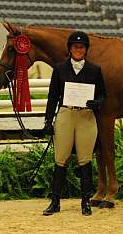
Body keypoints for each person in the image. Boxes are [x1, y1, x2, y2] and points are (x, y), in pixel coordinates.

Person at [41, 31, 106, 216]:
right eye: (75, 47)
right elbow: (53, 96)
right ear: (70, 49)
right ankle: (55, 201)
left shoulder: (95, 70)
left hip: (86, 116)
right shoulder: (60, 69)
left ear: (86, 50)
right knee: (60, 159)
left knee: (85, 159)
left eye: (82, 47)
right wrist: (48, 120)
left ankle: (85, 201)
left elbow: (102, 94)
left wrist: (98, 103)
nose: (78, 50)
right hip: (66, 114)